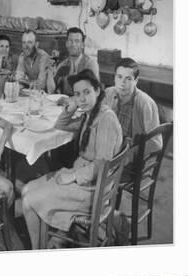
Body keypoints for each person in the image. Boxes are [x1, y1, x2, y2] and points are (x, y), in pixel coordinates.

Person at [21, 69, 123, 249]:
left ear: (98, 91)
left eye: (86, 92)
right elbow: (61, 125)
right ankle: (41, 245)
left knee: (28, 201)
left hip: (94, 189)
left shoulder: (106, 119)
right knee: (26, 190)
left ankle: (36, 251)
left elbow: (101, 164)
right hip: (83, 177)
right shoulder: (90, 114)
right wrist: (71, 108)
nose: (82, 99)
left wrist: (73, 176)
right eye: (77, 94)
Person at [103, 57, 162, 157]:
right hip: (109, 149)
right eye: (119, 77)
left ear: (136, 81)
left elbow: (156, 143)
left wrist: (128, 156)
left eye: (128, 79)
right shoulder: (108, 93)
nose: (122, 83)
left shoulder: (145, 103)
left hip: (131, 156)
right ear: (114, 78)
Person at [46, 27, 100, 95]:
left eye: (77, 41)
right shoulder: (62, 65)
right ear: (66, 44)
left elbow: (94, 92)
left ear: (82, 45)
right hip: (64, 103)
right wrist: (50, 72)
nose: (73, 44)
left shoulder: (90, 64)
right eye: (70, 41)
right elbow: (51, 92)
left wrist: (73, 100)